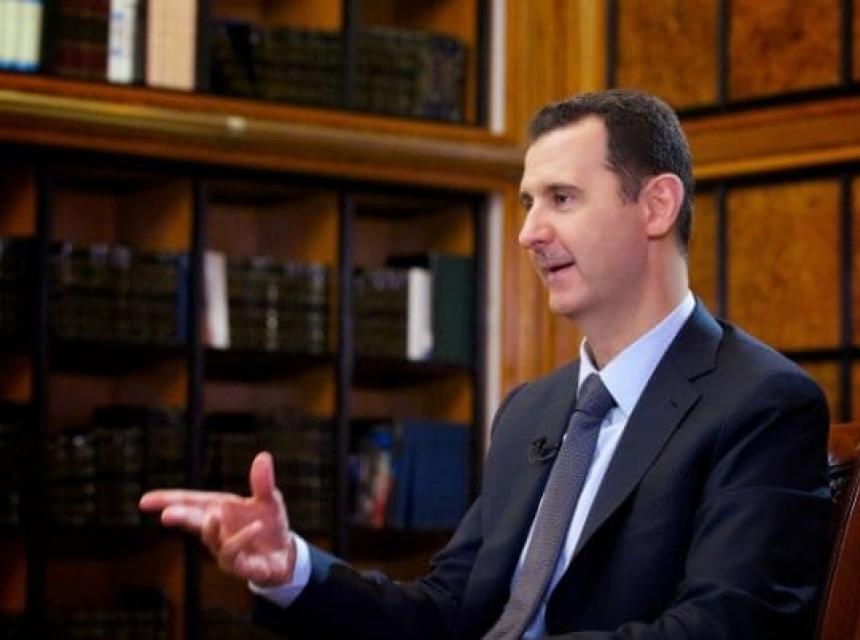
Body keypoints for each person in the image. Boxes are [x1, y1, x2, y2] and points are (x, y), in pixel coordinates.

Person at [139, 89, 832, 639]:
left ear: (656, 206)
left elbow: (725, 627)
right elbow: (448, 610)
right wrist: (291, 568)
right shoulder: (531, 410)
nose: (528, 233)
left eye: (561, 199)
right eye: (528, 203)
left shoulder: (761, 403)